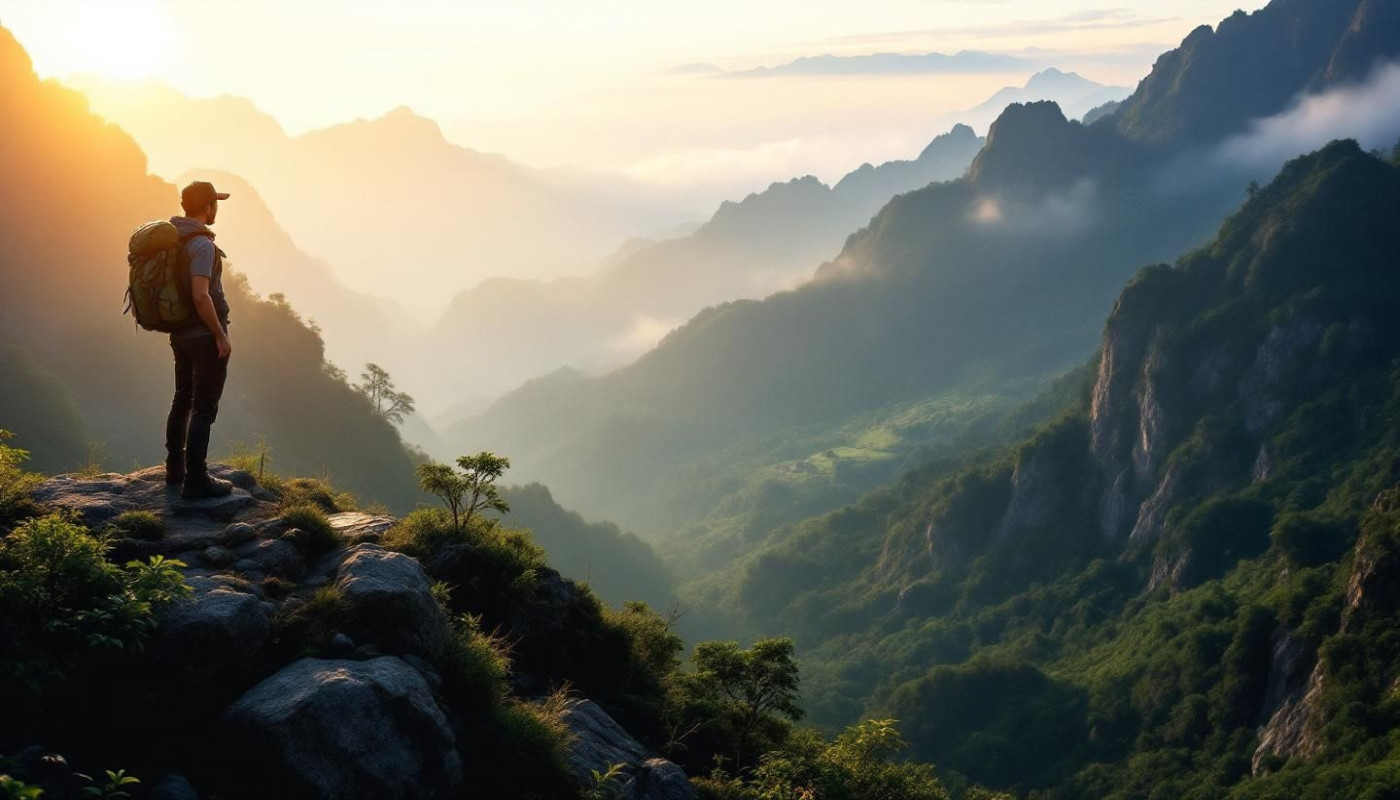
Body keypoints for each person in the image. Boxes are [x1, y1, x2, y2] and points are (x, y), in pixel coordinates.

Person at [165, 181, 235, 498]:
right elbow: (200, 294)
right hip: (203, 334)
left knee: (182, 399)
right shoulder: (201, 244)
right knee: (203, 408)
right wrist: (219, 334)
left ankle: (175, 469)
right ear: (208, 207)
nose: (216, 208)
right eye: (215, 203)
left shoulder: (171, 236)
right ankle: (196, 480)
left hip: (179, 332)